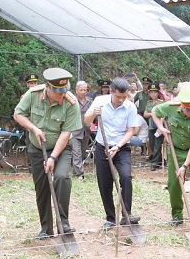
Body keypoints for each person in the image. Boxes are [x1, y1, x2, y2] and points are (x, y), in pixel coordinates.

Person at [13, 67, 82, 238]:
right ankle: (46, 228)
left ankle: (63, 222)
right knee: (42, 187)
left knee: (61, 177)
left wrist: (52, 157)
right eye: (58, 91)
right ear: (47, 87)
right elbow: (18, 115)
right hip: (37, 148)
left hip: (61, 148)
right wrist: (34, 129)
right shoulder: (33, 95)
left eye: (64, 90)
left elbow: (66, 134)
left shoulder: (71, 104)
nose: (62, 94)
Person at [84, 77, 140, 229]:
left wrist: (118, 146)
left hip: (121, 147)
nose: (121, 100)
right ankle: (110, 219)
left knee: (126, 176)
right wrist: (93, 113)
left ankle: (127, 214)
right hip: (103, 146)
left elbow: (131, 131)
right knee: (105, 183)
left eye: (124, 97)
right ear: (111, 91)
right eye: (118, 97)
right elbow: (86, 120)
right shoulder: (100, 101)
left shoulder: (130, 107)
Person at [152, 87, 190, 230]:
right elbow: (155, 112)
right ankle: (177, 216)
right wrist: (161, 128)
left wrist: (184, 166)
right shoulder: (171, 107)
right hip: (176, 151)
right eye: (188, 110)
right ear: (182, 105)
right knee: (174, 183)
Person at [70, 81, 92, 180]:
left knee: (82, 152)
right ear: (76, 90)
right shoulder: (72, 101)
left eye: (85, 90)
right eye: (81, 90)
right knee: (76, 152)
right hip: (74, 131)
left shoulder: (89, 101)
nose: (83, 92)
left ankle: (75, 170)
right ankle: (79, 174)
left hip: (86, 131)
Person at [144, 82, 165, 171]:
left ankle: (155, 163)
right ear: (149, 93)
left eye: (155, 92)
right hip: (151, 127)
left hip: (158, 127)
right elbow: (145, 114)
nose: (153, 94)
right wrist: (152, 114)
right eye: (151, 92)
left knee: (157, 145)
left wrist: (160, 127)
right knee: (152, 144)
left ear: (158, 93)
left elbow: (163, 115)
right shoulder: (148, 103)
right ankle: (160, 160)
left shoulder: (161, 103)